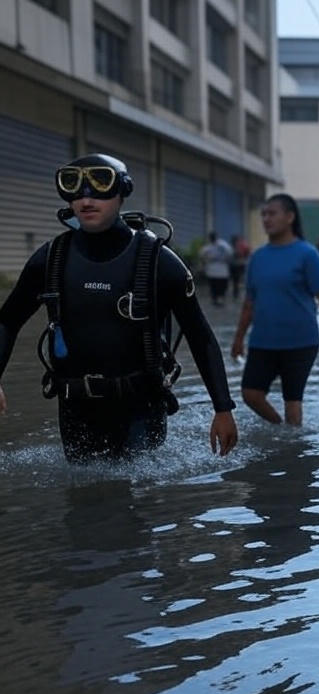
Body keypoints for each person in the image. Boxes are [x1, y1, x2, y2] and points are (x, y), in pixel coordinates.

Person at [0, 153, 238, 463]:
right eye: (76, 190)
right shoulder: (50, 259)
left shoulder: (158, 262)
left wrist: (223, 408)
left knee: (136, 499)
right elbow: (8, 321)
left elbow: (199, 334)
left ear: (123, 191)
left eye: (99, 188)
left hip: (141, 405)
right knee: (83, 500)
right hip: (76, 407)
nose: (86, 200)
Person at [230, 193, 319, 427]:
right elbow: (249, 302)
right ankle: (278, 428)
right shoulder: (257, 257)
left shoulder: (308, 254)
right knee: (250, 394)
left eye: (272, 213)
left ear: (289, 217)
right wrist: (238, 338)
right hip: (262, 341)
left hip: (300, 341)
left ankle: (292, 451)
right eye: (264, 214)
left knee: (293, 402)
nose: (266, 219)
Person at [200, 231, 232, 306]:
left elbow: (229, 253)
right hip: (213, 270)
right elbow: (202, 254)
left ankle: (220, 299)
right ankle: (215, 299)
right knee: (214, 286)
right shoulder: (209, 246)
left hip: (221, 269)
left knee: (221, 286)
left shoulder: (222, 245)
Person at [229, 234, 250, 301]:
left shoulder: (235, 246)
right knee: (237, 280)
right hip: (240, 264)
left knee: (236, 280)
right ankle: (237, 293)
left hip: (236, 265)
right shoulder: (242, 245)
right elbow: (247, 253)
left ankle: (236, 294)